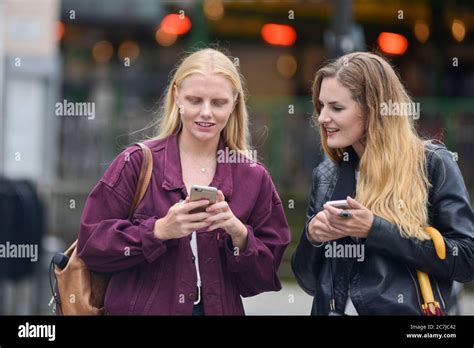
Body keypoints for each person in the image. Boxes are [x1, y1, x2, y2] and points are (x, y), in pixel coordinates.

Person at [77, 48, 291, 315]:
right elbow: (91, 246)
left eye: (218, 102)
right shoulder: (136, 162)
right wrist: (158, 230)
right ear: (176, 95)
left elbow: (265, 276)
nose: (206, 113)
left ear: (235, 102)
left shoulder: (253, 177)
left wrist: (239, 234)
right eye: (195, 100)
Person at [292, 51, 474, 315]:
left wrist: (375, 229)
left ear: (373, 110)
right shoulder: (326, 175)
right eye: (321, 106)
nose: (322, 118)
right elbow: (308, 283)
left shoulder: (432, 163)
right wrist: (313, 237)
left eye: (337, 107)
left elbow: (466, 259)